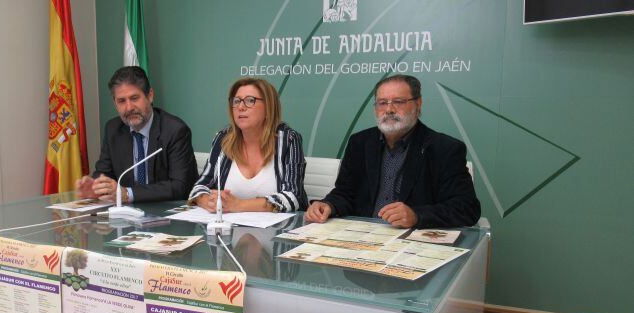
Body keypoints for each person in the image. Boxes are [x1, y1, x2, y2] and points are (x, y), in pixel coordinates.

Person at [305, 74, 480, 228]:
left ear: (418, 104)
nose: (389, 109)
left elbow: (466, 208)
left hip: (411, 246)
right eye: (382, 103)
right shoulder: (360, 143)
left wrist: (417, 216)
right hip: (360, 239)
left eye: (398, 102)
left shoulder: (444, 149)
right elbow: (345, 193)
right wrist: (328, 205)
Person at [75, 66, 198, 203]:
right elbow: (104, 173)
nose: (129, 108)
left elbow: (180, 186)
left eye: (134, 98)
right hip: (126, 216)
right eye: (121, 101)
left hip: (167, 214)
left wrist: (128, 194)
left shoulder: (175, 130)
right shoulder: (113, 129)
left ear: (150, 95)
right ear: (115, 103)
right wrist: (96, 187)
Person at [188, 78, 307, 213]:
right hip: (230, 230)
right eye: (236, 101)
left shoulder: (288, 140)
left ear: (269, 107)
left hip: (278, 230)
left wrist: (238, 205)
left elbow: (293, 197)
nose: (240, 107)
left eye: (250, 100)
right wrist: (208, 202)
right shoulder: (223, 139)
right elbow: (200, 186)